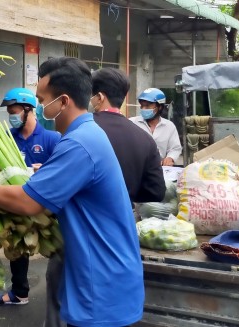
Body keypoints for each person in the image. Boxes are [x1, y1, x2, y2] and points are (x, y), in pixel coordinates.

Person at [0, 57, 144, 327]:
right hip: (102, 273)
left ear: (63, 101)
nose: (39, 107)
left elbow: (29, 202)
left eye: (42, 100)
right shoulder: (87, 134)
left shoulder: (79, 143)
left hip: (101, 281)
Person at [44, 67, 167, 327]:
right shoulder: (143, 138)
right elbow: (157, 192)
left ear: (97, 97)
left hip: (76, 229)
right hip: (121, 228)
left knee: (62, 293)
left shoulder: (78, 133)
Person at [0, 87, 61, 306]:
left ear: (29, 110)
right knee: (17, 247)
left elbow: (62, 170)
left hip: (45, 207)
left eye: (15, 111)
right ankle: (19, 293)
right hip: (18, 203)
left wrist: (46, 169)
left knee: (58, 248)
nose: (11, 116)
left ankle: (63, 295)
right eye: (9, 112)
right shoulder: (7, 139)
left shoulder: (52, 138)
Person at [129, 88, 182, 166]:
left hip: (160, 169)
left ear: (159, 107)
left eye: (147, 106)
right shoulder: (132, 123)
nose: (143, 109)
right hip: (137, 168)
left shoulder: (169, 126)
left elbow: (175, 148)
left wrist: (170, 158)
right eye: (142, 106)